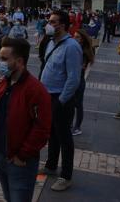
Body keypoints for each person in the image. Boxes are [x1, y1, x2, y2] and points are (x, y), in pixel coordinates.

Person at [0, 37, 51, 202]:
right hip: (0, 155)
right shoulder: (4, 83)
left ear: (19, 61)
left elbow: (42, 128)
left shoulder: (35, 90)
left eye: (4, 59)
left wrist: (23, 155)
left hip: (20, 162)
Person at [39, 10, 82, 191]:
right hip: (48, 94)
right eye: (49, 21)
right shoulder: (50, 42)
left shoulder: (71, 46)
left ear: (62, 25)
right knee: (51, 133)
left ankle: (66, 176)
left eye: (53, 21)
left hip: (61, 97)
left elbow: (74, 78)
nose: (49, 24)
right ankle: (50, 165)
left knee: (64, 136)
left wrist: (62, 100)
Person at [72, 29, 95, 136]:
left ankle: (77, 127)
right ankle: (71, 125)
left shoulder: (84, 51)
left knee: (78, 105)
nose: (74, 38)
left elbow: (81, 67)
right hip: (73, 79)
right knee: (71, 104)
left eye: (77, 37)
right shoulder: (75, 48)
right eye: (74, 36)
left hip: (79, 80)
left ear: (82, 40)